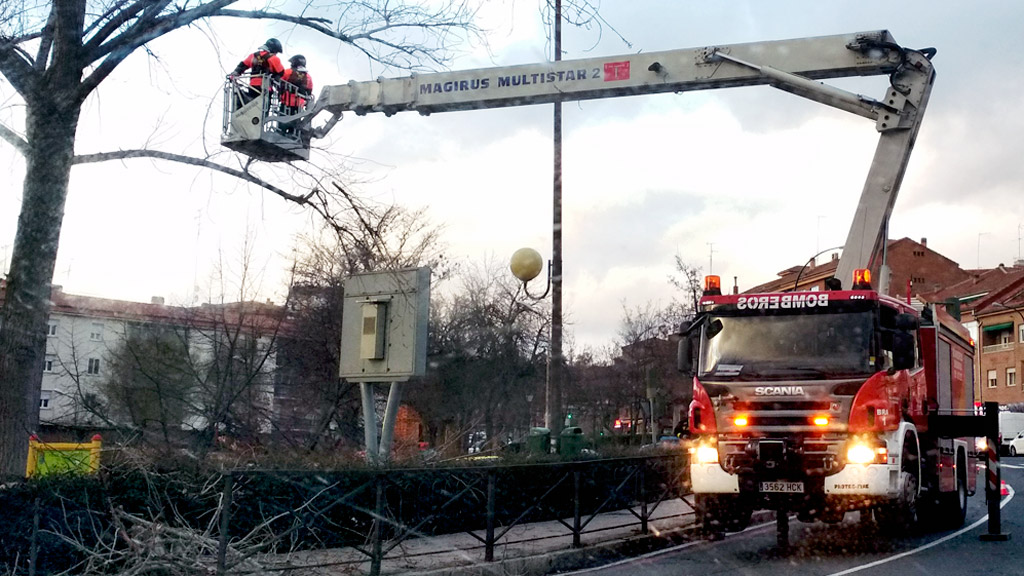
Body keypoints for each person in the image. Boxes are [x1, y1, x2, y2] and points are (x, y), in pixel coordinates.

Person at [228, 38, 285, 105]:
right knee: (264, 108)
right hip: (265, 88)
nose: (276, 54)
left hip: (252, 87)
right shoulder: (274, 58)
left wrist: (235, 74)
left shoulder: (253, 56)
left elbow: (242, 65)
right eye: (276, 52)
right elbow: (281, 73)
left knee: (252, 106)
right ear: (273, 49)